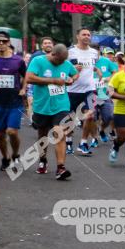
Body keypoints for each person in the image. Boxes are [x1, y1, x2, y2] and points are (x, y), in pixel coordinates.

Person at [25, 44, 78, 179]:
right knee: (42, 135)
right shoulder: (38, 61)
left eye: (63, 61)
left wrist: (72, 79)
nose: (61, 63)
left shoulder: (65, 63)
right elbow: (29, 78)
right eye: (59, 61)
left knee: (58, 132)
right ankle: (43, 160)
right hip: (42, 105)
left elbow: (75, 73)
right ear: (53, 54)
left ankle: (61, 168)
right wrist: (52, 80)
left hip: (61, 105)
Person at [0, 30, 27, 170]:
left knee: (12, 131)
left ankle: (15, 154)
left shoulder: (18, 60)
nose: (1, 44)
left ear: (9, 42)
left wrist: (24, 88)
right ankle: (5, 157)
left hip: (14, 101)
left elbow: (26, 76)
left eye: (4, 41)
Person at [66, 28, 101, 156]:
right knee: (70, 118)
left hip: (89, 89)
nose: (86, 37)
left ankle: (83, 142)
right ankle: (68, 142)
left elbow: (91, 66)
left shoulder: (94, 52)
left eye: (88, 35)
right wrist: (72, 68)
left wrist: (97, 70)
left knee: (90, 115)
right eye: (84, 34)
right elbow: (64, 67)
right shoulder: (70, 52)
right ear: (77, 36)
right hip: (72, 89)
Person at [93, 48, 118, 144]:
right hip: (92, 93)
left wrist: (108, 78)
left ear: (99, 52)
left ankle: (102, 129)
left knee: (109, 116)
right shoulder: (87, 62)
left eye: (96, 52)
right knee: (93, 117)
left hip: (105, 93)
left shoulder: (106, 61)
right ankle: (94, 138)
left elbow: (115, 73)